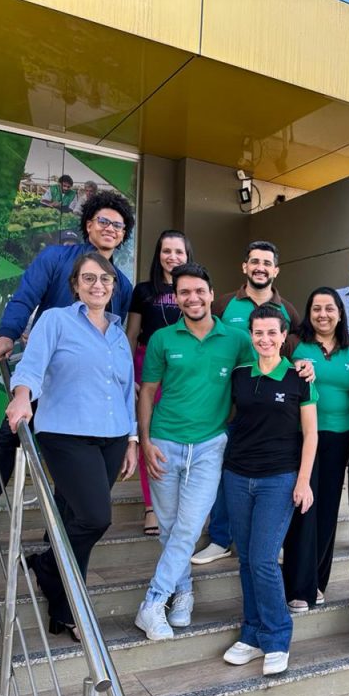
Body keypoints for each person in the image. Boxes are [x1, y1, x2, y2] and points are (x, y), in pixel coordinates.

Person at [0, 190, 136, 552]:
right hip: (41, 378)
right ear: (88, 225)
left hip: (81, 392)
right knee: (6, 444)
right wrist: (8, 334)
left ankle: (56, 541)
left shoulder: (121, 283)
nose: (110, 228)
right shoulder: (56, 258)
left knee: (72, 469)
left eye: (118, 225)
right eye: (103, 221)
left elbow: (112, 333)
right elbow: (26, 296)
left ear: (123, 235)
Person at [6, 252, 138, 642]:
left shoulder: (118, 334)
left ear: (114, 287)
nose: (98, 285)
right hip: (66, 433)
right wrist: (22, 396)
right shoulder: (56, 320)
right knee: (95, 518)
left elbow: (125, 391)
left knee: (73, 518)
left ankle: (63, 605)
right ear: (76, 285)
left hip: (113, 436)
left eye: (105, 279)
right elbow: (32, 365)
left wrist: (132, 439)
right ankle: (50, 567)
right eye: (89, 278)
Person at [133, 263, 255, 641]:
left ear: (211, 294)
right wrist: (145, 442)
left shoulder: (237, 339)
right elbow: (147, 392)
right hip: (164, 443)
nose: (193, 298)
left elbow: (261, 375)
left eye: (199, 291)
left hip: (209, 446)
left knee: (188, 527)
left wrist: (303, 368)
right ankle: (183, 592)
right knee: (170, 528)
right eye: (184, 292)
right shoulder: (162, 339)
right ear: (176, 298)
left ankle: (153, 601)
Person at [192, 240, 302, 566]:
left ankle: (268, 542)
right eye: (255, 261)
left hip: (273, 410)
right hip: (230, 403)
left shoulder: (289, 310)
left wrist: (305, 366)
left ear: (276, 270)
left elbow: (299, 349)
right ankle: (220, 539)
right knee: (228, 473)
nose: (260, 268)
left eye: (267, 263)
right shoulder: (224, 304)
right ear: (245, 266)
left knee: (270, 479)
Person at [222, 304, 317, 676]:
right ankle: (251, 633)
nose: (265, 339)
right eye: (258, 333)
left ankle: (277, 637)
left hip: (278, 479)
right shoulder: (240, 375)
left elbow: (311, 434)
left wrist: (303, 481)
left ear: (283, 335)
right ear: (251, 335)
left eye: (271, 333)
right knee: (246, 559)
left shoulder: (299, 377)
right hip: (237, 476)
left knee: (263, 559)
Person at [282, 287, 349, 613]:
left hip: (339, 439)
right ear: (308, 312)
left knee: (327, 511)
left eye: (329, 308)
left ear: (340, 314)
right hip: (302, 438)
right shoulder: (293, 344)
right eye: (316, 308)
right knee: (303, 509)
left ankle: (317, 581)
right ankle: (297, 587)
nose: (323, 314)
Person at [126, 230, 192, 536]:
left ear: (187, 255)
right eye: (167, 251)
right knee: (148, 434)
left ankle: (177, 503)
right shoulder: (143, 290)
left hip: (183, 368)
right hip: (147, 364)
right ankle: (151, 506)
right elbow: (131, 335)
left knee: (179, 433)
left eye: (179, 252)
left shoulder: (193, 288)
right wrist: (129, 377)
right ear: (158, 254)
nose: (173, 257)